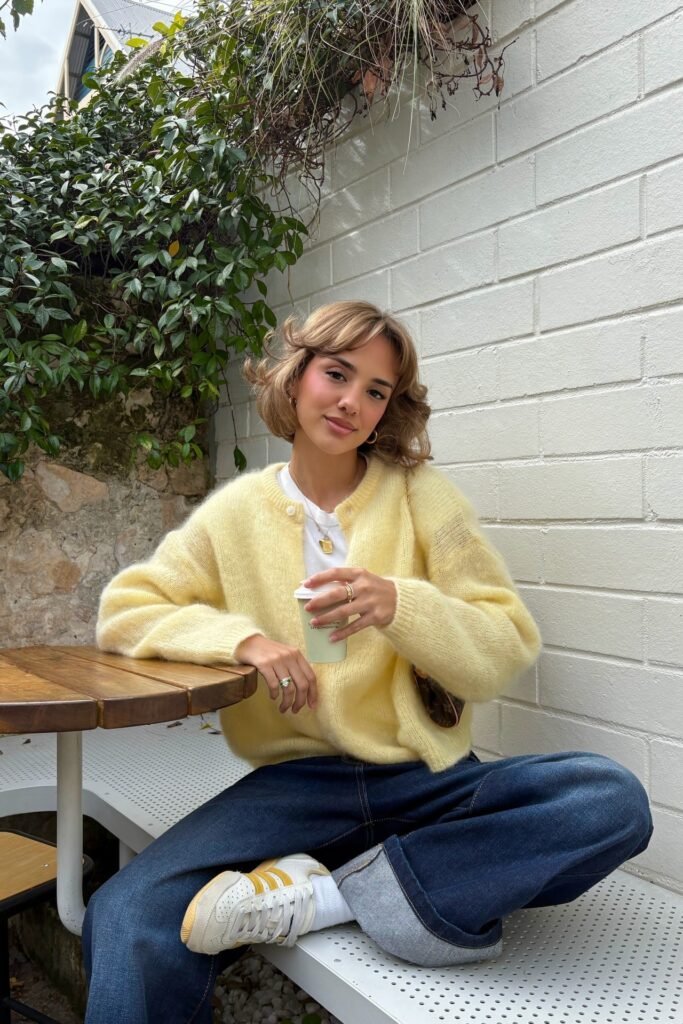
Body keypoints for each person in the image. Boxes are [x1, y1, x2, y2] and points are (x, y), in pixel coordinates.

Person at [84, 301, 652, 1024]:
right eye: (336, 374)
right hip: (296, 787)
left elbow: (503, 642)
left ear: (389, 410)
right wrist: (244, 643)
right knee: (127, 912)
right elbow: (127, 609)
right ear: (295, 379)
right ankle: (399, 885)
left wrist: (399, 604)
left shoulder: (421, 497)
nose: (352, 402)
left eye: (377, 391)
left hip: (429, 780)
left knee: (607, 800)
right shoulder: (237, 514)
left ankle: (330, 897)